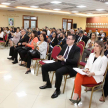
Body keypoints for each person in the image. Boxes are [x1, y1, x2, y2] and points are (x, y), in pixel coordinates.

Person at [39, 34, 80, 99]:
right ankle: (48, 84)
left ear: (73, 40)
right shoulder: (64, 46)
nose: (67, 40)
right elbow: (59, 54)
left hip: (69, 66)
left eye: (69, 39)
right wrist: (59, 57)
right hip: (61, 62)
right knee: (44, 67)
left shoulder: (76, 49)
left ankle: (57, 90)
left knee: (58, 72)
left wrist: (65, 59)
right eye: (67, 38)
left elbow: (75, 61)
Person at [70, 40, 107, 105]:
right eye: (94, 45)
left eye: (97, 46)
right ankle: (77, 97)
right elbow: (87, 64)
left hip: (96, 77)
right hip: (88, 73)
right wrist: (86, 68)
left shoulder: (104, 58)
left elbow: (102, 72)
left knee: (77, 80)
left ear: (101, 48)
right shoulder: (92, 54)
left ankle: (77, 97)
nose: (94, 47)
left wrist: (92, 73)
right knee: (79, 74)